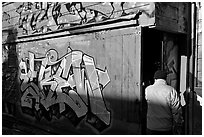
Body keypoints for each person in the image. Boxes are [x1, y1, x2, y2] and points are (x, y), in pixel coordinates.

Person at [145, 70, 183, 135]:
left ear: (155, 79)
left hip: (151, 126)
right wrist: (178, 123)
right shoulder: (171, 90)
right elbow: (176, 110)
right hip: (166, 127)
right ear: (165, 78)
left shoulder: (148, 89)